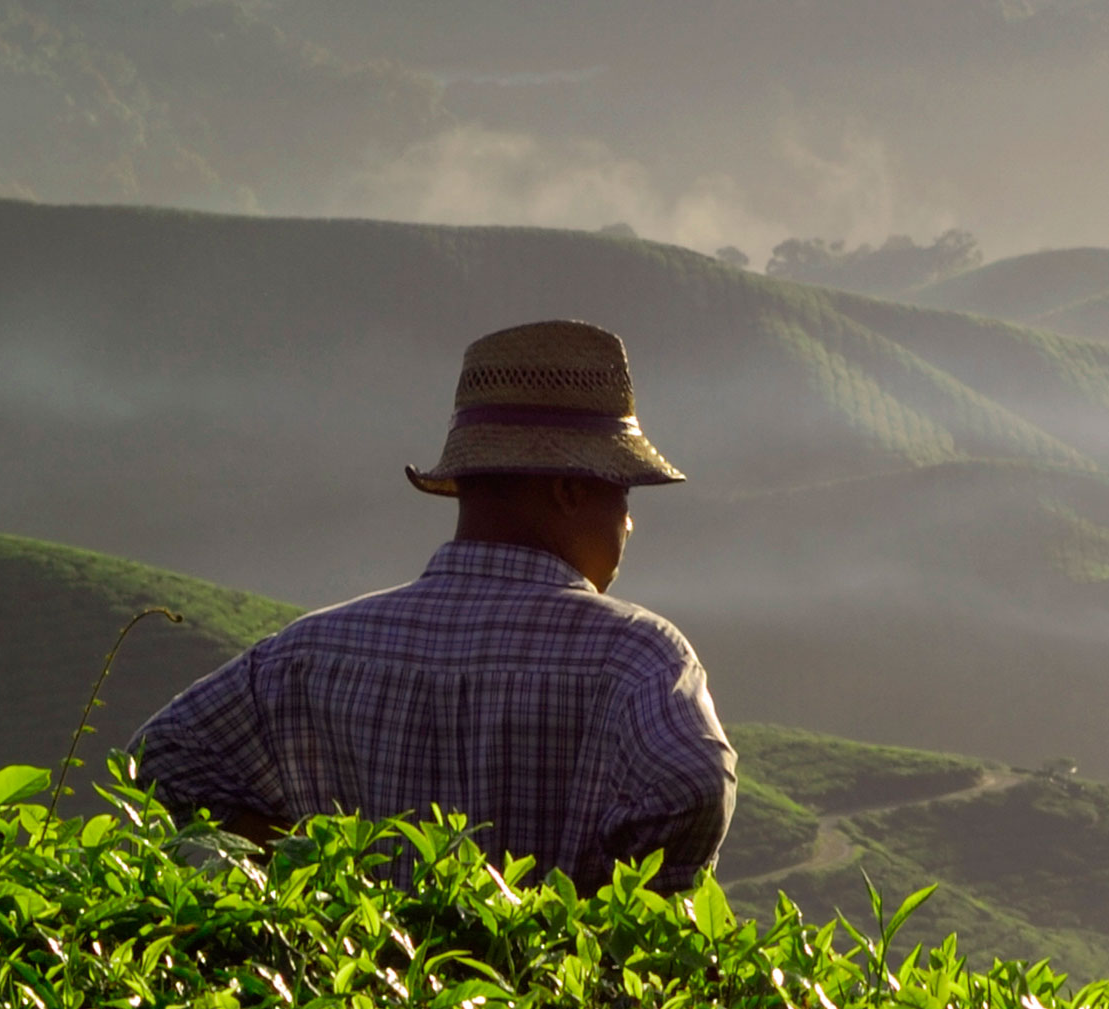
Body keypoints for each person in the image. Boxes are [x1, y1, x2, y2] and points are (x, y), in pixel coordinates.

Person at [135, 319, 737, 888]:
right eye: (622, 495)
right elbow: (693, 785)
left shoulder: (307, 655)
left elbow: (161, 761)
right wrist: (601, 913)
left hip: (356, 992)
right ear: (569, 491)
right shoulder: (636, 659)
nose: (629, 524)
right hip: (549, 994)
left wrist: (313, 876)